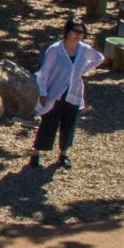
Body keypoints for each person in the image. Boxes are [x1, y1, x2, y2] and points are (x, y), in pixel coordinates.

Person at [30, 15, 105, 169]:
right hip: (55, 92)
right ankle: (36, 153)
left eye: (81, 32)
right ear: (67, 31)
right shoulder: (55, 49)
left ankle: (63, 154)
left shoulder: (84, 50)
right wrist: (43, 92)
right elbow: (44, 74)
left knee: (69, 124)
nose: (78, 35)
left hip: (73, 92)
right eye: (75, 31)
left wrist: (83, 70)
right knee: (49, 122)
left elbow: (98, 58)